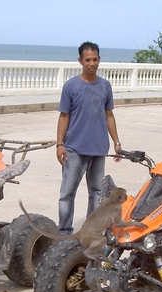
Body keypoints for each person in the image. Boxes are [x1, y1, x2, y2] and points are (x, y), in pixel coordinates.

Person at [56, 41, 122, 235]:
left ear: (99, 60)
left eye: (94, 59)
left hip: (99, 148)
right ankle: (64, 231)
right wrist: (59, 144)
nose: (91, 63)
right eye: (87, 60)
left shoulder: (105, 86)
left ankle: (90, 230)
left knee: (96, 192)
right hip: (74, 148)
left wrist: (117, 143)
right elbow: (64, 116)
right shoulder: (71, 86)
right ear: (80, 61)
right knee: (67, 192)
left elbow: (109, 115)